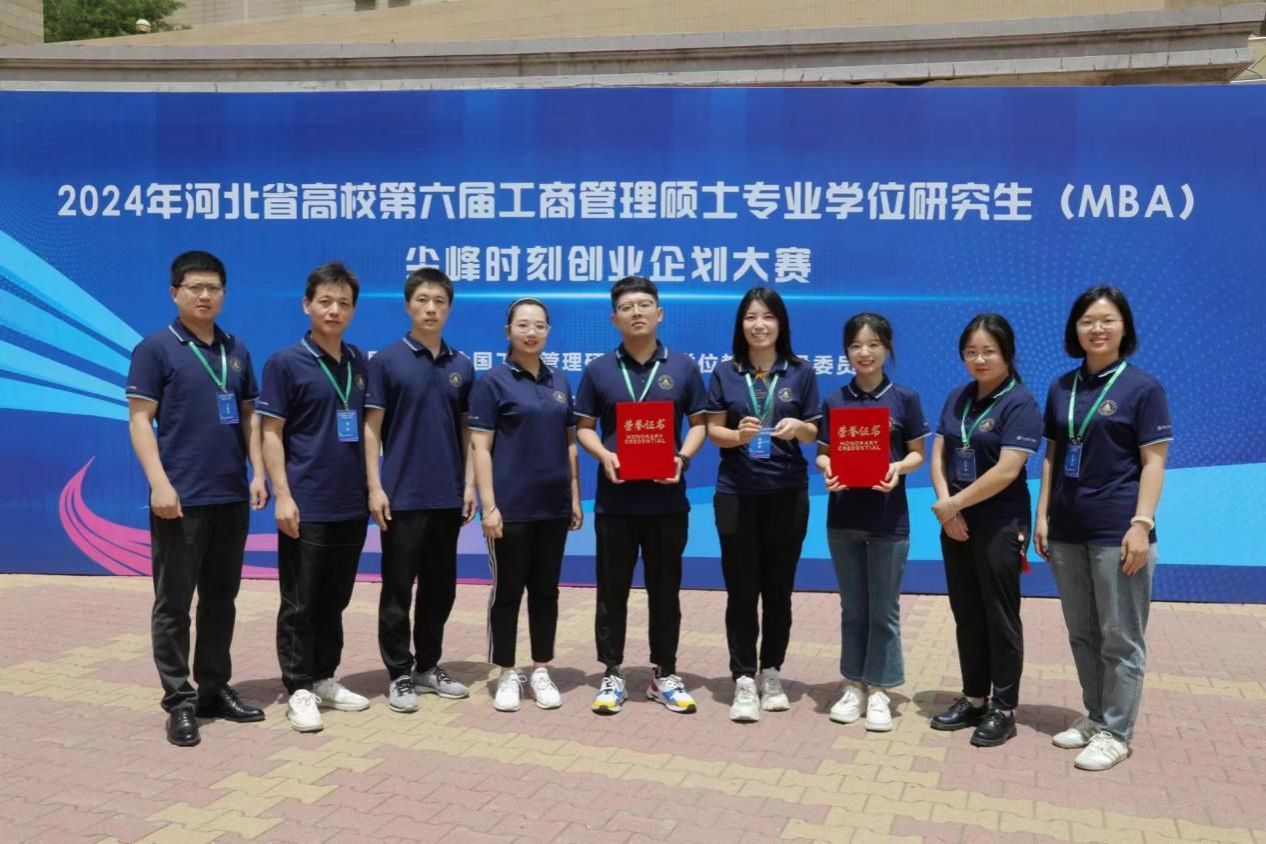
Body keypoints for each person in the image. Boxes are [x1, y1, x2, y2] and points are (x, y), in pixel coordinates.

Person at [125, 250, 269, 747]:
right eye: (195, 287)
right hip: (180, 499)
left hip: (230, 495)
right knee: (174, 603)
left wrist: (257, 472)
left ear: (224, 293)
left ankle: (213, 688)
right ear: (175, 293)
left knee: (221, 600)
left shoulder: (236, 349)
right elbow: (140, 419)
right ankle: (179, 701)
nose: (205, 296)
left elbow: (248, 416)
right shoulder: (155, 348)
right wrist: (160, 484)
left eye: (213, 288)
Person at [1035, 286, 1172, 771]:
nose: (1097, 329)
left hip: (1118, 531)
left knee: (1121, 636)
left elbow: (1154, 462)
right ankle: (1095, 717)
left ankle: (1117, 732)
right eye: (1088, 321)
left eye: (1107, 320)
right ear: (1075, 329)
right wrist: (1042, 516)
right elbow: (1052, 456)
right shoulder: (1062, 388)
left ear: (1124, 327)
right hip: (1068, 530)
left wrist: (1141, 524)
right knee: (1083, 632)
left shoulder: (1143, 388)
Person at [575, 276, 708, 715]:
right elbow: (584, 428)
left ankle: (664, 673)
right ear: (614, 318)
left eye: (645, 304)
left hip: (667, 502)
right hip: (615, 503)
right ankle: (611, 672)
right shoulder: (599, 369)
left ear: (659, 313)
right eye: (628, 306)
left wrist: (682, 458)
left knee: (665, 591)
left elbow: (700, 424)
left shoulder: (683, 367)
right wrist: (604, 455)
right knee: (611, 590)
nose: (637, 312)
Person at [257, 262, 372, 732]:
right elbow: (270, 432)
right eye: (325, 301)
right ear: (307, 305)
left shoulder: (359, 362)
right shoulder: (285, 363)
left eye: (343, 303)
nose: (334, 310)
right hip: (306, 502)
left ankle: (325, 677)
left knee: (335, 599)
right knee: (300, 601)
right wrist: (283, 495)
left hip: (351, 502)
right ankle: (299, 688)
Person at [364, 267, 477, 714]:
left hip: (447, 496)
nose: (431, 308)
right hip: (401, 496)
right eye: (423, 300)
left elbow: (468, 431)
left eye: (440, 301)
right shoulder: (386, 361)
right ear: (408, 305)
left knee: (440, 589)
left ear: (450, 308)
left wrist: (469, 484)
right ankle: (399, 672)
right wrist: (375, 486)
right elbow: (372, 429)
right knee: (397, 589)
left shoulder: (461, 365)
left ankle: (428, 666)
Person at [928, 313, 1042, 748]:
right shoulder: (958, 396)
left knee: (1000, 615)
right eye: (971, 352)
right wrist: (947, 510)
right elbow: (940, 453)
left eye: (988, 351)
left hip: (1000, 523)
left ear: (1007, 354)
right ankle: (974, 697)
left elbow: (1008, 470)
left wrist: (954, 505)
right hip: (956, 523)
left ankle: (1003, 708)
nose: (979, 359)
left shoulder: (1020, 403)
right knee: (967, 612)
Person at [705, 288, 819, 723]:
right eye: (751, 317)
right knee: (740, 589)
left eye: (768, 317)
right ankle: (742, 677)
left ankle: (771, 671)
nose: (759, 325)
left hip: (787, 492)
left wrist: (797, 428)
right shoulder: (725, 372)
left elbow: (814, 432)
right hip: (736, 492)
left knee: (778, 589)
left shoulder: (801, 372)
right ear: (741, 324)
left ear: (780, 323)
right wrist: (738, 437)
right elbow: (714, 431)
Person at [470, 298, 584, 712]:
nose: (531, 332)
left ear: (548, 331)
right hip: (510, 509)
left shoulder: (560, 381)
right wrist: (489, 506)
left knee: (546, 592)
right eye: (522, 325)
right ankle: (506, 671)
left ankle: (540, 669)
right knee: (507, 593)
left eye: (539, 325)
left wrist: (574, 496)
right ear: (508, 331)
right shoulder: (493, 382)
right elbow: (481, 448)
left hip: (553, 507)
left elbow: (570, 444)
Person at [816, 313, 928, 731]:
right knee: (852, 608)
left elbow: (917, 453)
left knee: (884, 609)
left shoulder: (905, 398)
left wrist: (898, 467)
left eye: (873, 344)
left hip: (889, 519)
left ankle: (879, 688)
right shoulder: (835, 400)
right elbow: (823, 453)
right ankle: (853, 685)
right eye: (856, 346)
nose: (864, 353)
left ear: (887, 348)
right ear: (846, 352)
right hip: (843, 517)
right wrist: (828, 468)